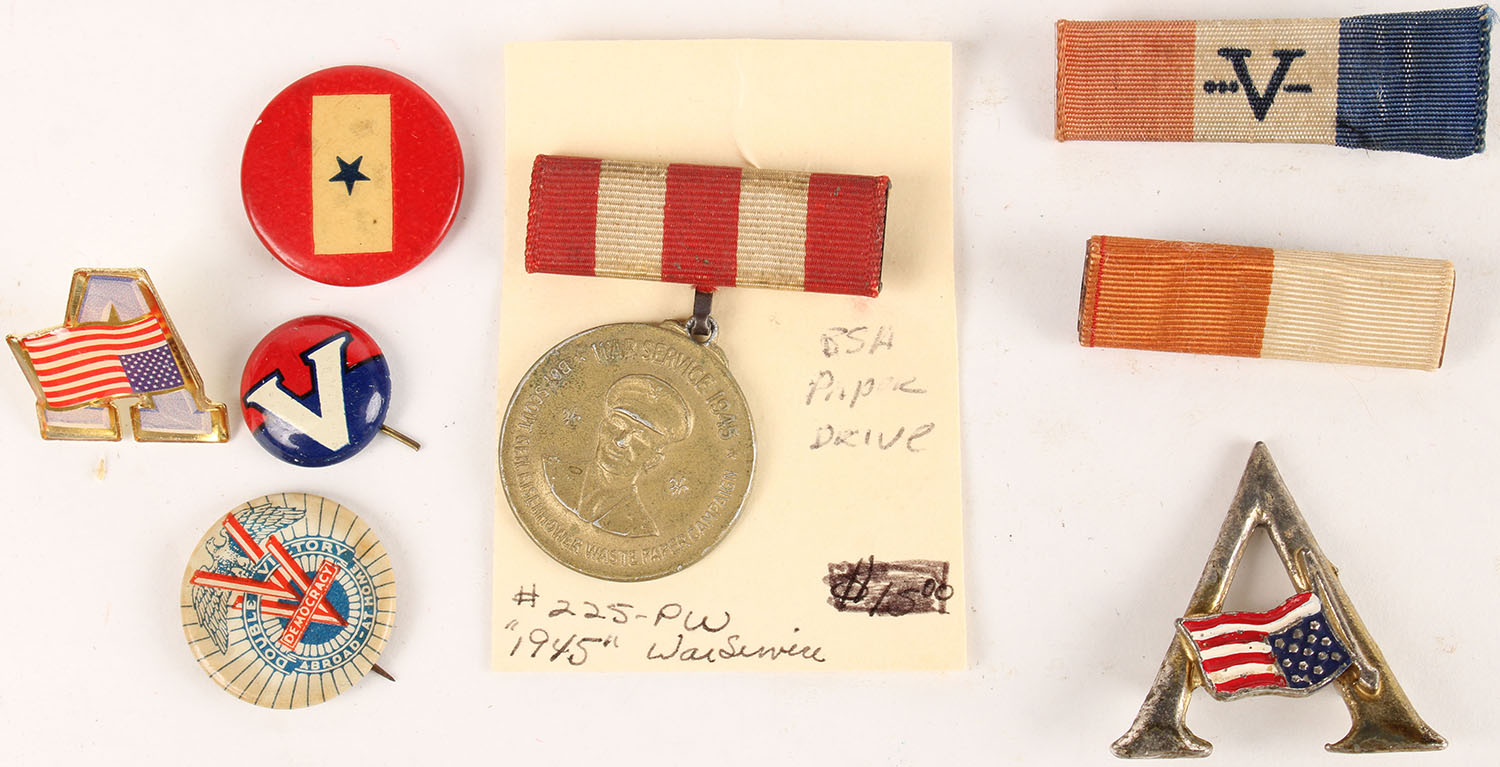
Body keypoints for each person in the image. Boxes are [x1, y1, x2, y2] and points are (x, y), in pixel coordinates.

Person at [544, 374, 693, 537]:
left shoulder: (640, 530)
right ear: (603, 427)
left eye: (640, 438)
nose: (621, 441)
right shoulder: (551, 474)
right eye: (618, 424)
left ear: (653, 460)